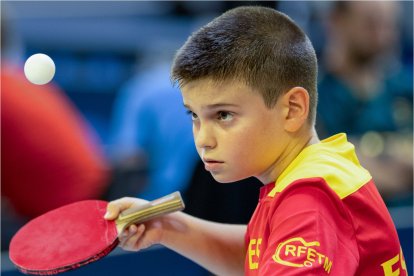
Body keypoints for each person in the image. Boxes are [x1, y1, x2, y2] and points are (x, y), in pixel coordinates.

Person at [104, 6, 407, 275]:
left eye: (224, 115)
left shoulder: (310, 201)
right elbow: (258, 257)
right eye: (194, 115)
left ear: (292, 110)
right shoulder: (314, 173)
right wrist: (168, 226)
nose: (203, 140)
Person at [317, 1, 413, 206]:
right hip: (349, 229)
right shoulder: (313, 96)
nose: (383, 35)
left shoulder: (405, 88)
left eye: (389, 24)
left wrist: (363, 158)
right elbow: (326, 173)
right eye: (371, 22)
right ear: (337, 20)